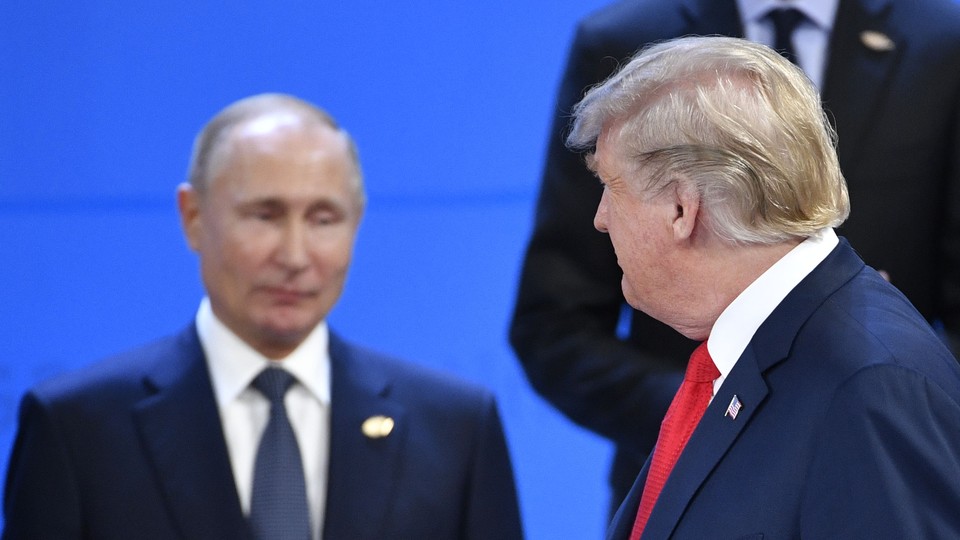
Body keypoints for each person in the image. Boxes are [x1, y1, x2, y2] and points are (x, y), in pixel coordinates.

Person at [2, 93, 524, 540]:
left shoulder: (456, 429)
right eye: (264, 216)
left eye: (324, 219)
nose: (295, 256)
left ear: (356, 225)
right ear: (193, 217)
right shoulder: (77, 430)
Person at [510, 0, 960, 512]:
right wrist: (719, 403)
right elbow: (552, 322)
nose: (601, 218)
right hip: (678, 478)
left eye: (612, 188)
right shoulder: (618, 38)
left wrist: (855, 367)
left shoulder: (881, 384)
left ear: (682, 207)